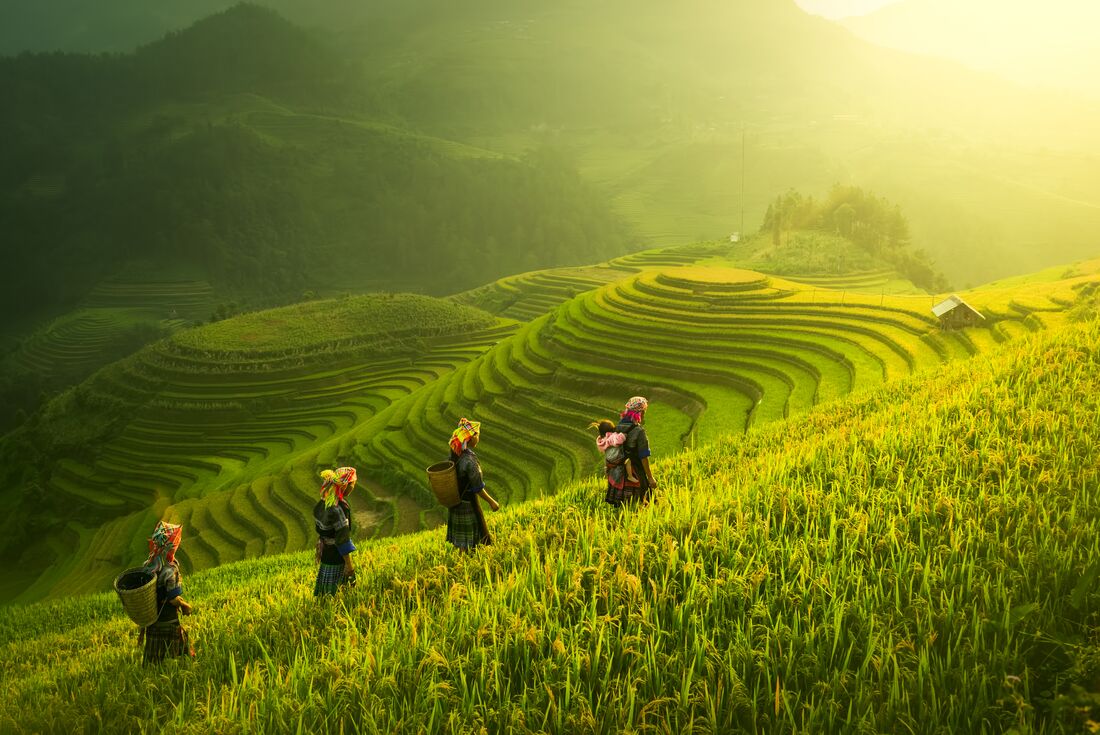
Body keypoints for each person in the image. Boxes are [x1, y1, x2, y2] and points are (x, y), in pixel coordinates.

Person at [139, 521, 195, 665]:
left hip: (153, 621)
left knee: (153, 661)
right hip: (168, 620)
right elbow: (172, 598)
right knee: (178, 657)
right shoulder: (170, 570)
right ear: (171, 546)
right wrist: (184, 605)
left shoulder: (148, 565)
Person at [446, 417, 500, 552]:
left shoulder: (455, 454)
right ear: (470, 439)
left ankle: (462, 563)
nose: (478, 438)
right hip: (468, 504)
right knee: (471, 541)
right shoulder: (470, 461)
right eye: (477, 435)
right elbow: (478, 487)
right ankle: (465, 566)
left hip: (456, 502)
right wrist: (492, 502)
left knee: (461, 541)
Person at [313, 466, 358, 596]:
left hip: (326, 553)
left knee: (325, 594)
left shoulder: (323, 502)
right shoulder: (340, 508)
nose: (353, 487)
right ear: (345, 486)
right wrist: (349, 566)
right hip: (337, 556)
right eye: (353, 484)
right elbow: (342, 540)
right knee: (338, 594)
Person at [613, 396, 658, 505]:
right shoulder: (639, 431)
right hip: (636, 472)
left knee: (625, 505)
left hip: (620, 473)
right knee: (647, 502)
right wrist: (650, 478)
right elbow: (643, 456)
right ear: (640, 413)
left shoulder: (618, 427)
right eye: (644, 411)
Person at [592, 419, 640, 506]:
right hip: (618, 459)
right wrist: (624, 434)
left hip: (609, 461)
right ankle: (630, 476)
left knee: (610, 473)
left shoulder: (601, 440)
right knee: (628, 461)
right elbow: (619, 440)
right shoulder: (612, 437)